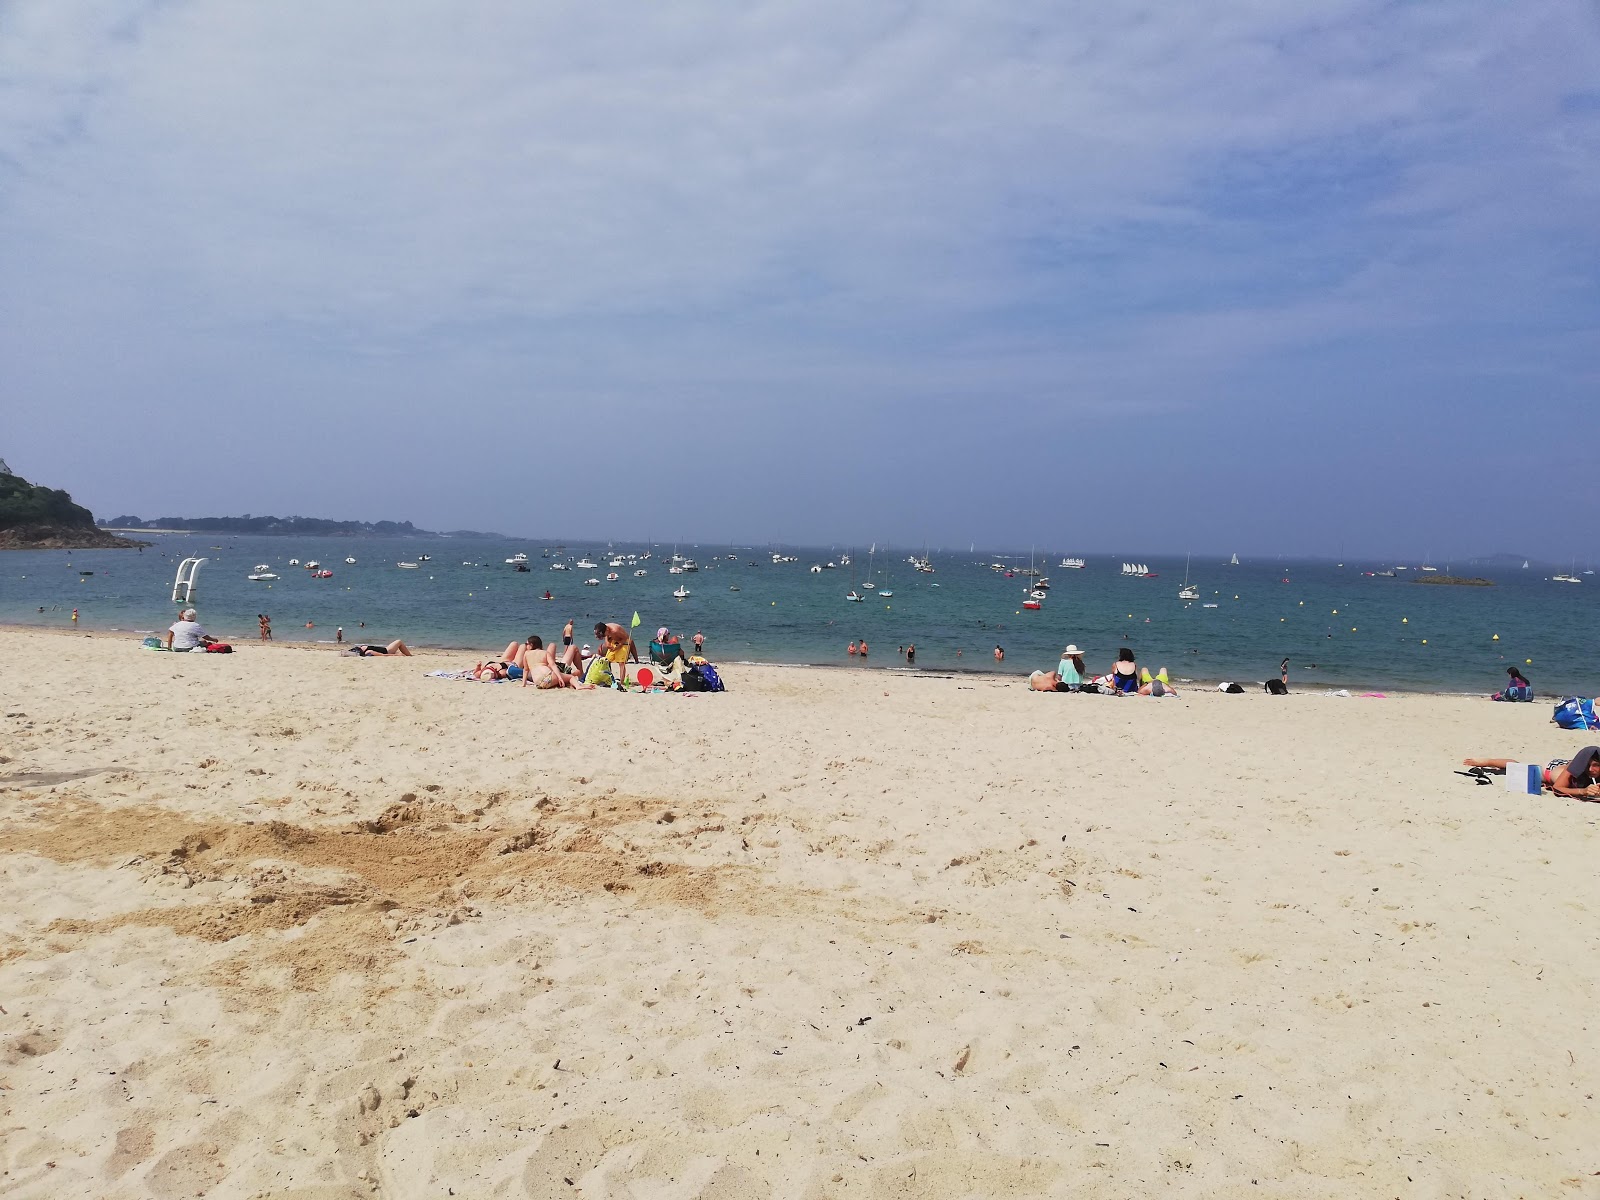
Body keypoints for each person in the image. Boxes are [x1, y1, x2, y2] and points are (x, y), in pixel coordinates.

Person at [1462, 747, 1600, 800]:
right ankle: (1488, 761)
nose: (1591, 769)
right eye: (1589, 765)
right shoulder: (1573, 769)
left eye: (1595, 766)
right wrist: (1583, 791)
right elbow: (1558, 789)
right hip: (1549, 770)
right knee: (1517, 766)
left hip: (1564, 763)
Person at [342, 639, 412, 657]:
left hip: (386, 648)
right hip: (387, 651)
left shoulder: (363, 649)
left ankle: (407, 654)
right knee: (399, 641)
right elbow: (383, 655)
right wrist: (397, 655)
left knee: (398, 642)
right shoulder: (368, 652)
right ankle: (409, 656)